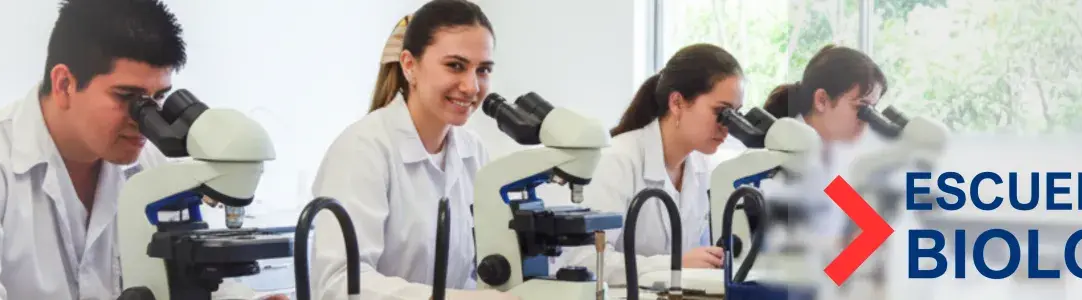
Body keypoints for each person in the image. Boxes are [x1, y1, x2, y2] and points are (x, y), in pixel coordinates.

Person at [0, 0, 284, 299]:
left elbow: (202, 273)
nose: (143, 121)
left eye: (159, 98)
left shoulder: (154, 165)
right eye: (127, 97)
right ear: (64, 84)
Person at [308, 1, 515, 299]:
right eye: (455, 65)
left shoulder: (473, 152)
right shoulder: (363, 149)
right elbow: (340, 282)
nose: (471, 87)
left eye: (483, 70)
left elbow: (479, 268)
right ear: (409, 65)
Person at [556, 43, 744, 285]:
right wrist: (673, 264)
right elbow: (584, 261)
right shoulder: (616, 160)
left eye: (736, 115)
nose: (728, 126)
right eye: (721, 112)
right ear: (677, 103)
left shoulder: (701, 168)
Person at [761, 44, 888, 243]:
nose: (867, 121)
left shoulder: (829, 153)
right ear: (821, 100)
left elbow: (874, 229)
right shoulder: (780, 150)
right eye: (861, 108)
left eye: (873, 111)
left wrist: (841, 271)